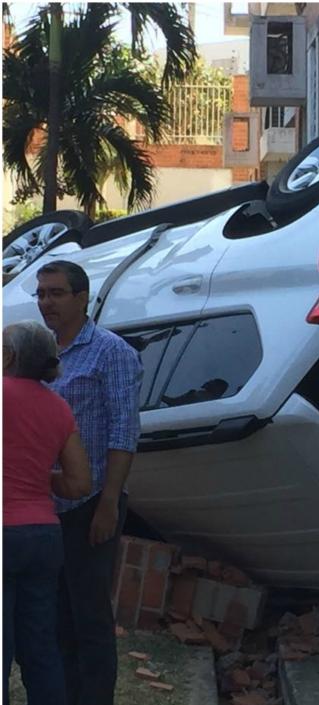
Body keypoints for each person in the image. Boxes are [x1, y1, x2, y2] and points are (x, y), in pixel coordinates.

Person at [35, 260, 143, 705]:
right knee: (56, 615)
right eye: (42, 294)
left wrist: (109, 504)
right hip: (45, 505)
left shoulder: (111, 352)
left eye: (56, 293)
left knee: (90, 614)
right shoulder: (40, 353)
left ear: (82, 298)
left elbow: (123, 432)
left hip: (91, 503)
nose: (47, 303)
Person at [4, 321, 94, 705]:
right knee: (40, 647)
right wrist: (38, 477)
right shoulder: (59, 408)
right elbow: (79, 484)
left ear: (9, 355)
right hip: (43, 535)